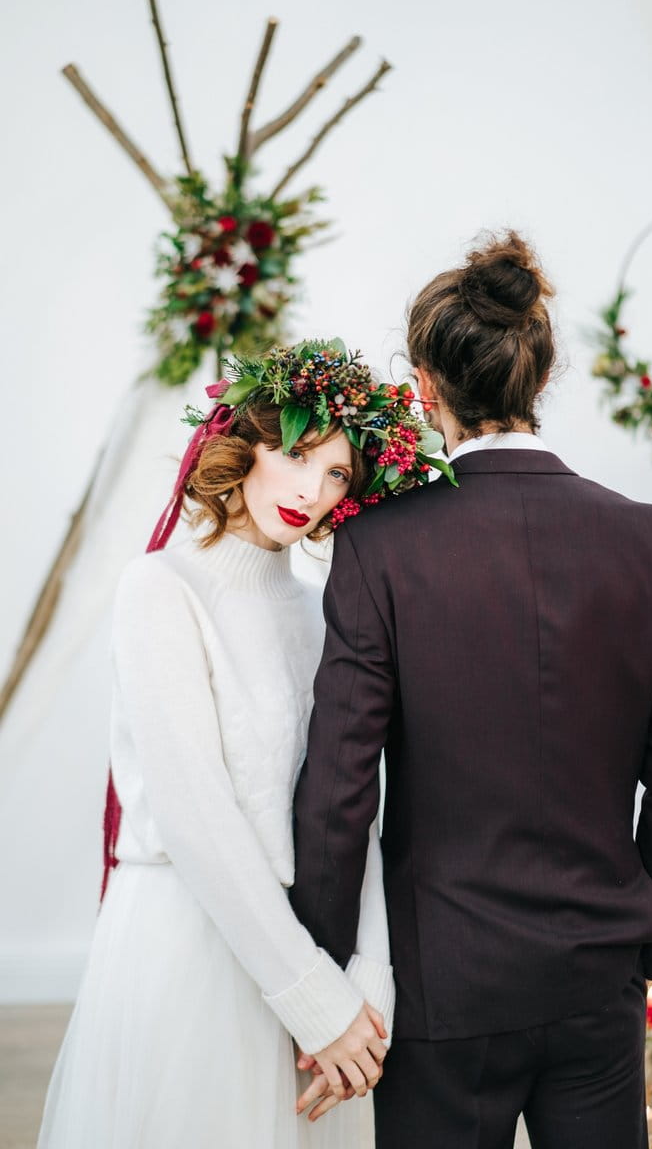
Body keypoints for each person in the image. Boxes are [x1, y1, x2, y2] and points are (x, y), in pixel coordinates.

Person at [290, 235, 652, 1148]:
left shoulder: (381, 547)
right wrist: (648, 938)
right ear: (539, 373)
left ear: (424, 385)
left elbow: (338, 788)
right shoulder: (647, 540)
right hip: (597, 983)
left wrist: (322, 975)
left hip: (444, 987)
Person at [38, 338, 446, 1149]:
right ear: (245, 442)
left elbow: (351, 799)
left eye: (336, 474)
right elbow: (198, 818)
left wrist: (370, 973)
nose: (310, 490)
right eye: (295, 454)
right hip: (190, 953)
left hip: (309, 948)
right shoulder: (161, 590)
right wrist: (315, 1002)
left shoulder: (322, 607)